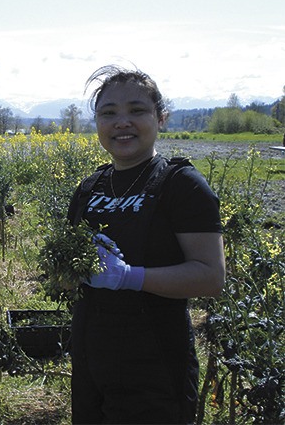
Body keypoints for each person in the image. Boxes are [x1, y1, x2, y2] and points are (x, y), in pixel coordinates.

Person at [67, 66, 225, 424]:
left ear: (161, 118)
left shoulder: (182, 185)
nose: (122, 122)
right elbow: (72, 271)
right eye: (109, 113)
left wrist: (130, 277)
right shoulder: (90, 188)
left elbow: (211, 277)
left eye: (137, 110)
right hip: (93, 358)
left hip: (155, 366)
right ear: (97, 123)